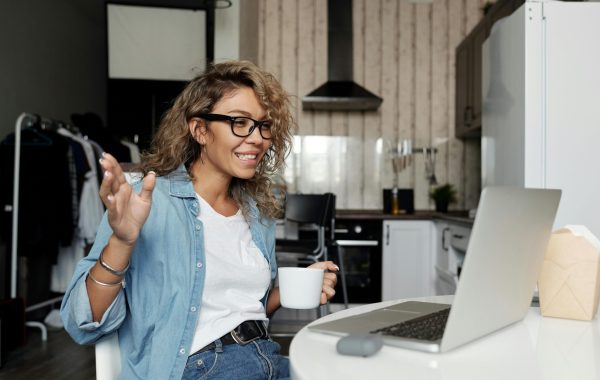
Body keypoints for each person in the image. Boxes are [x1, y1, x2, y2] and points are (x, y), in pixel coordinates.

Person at [60, 60, 339, 379]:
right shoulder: (146, 201)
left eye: (263, 125)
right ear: (199, 130)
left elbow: (242, 310)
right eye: (239, 122)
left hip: (265, 358)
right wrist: (122, 242)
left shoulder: (256, 213)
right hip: (198, 368)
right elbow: (81, 322)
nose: (257, 138)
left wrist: (291, 290)